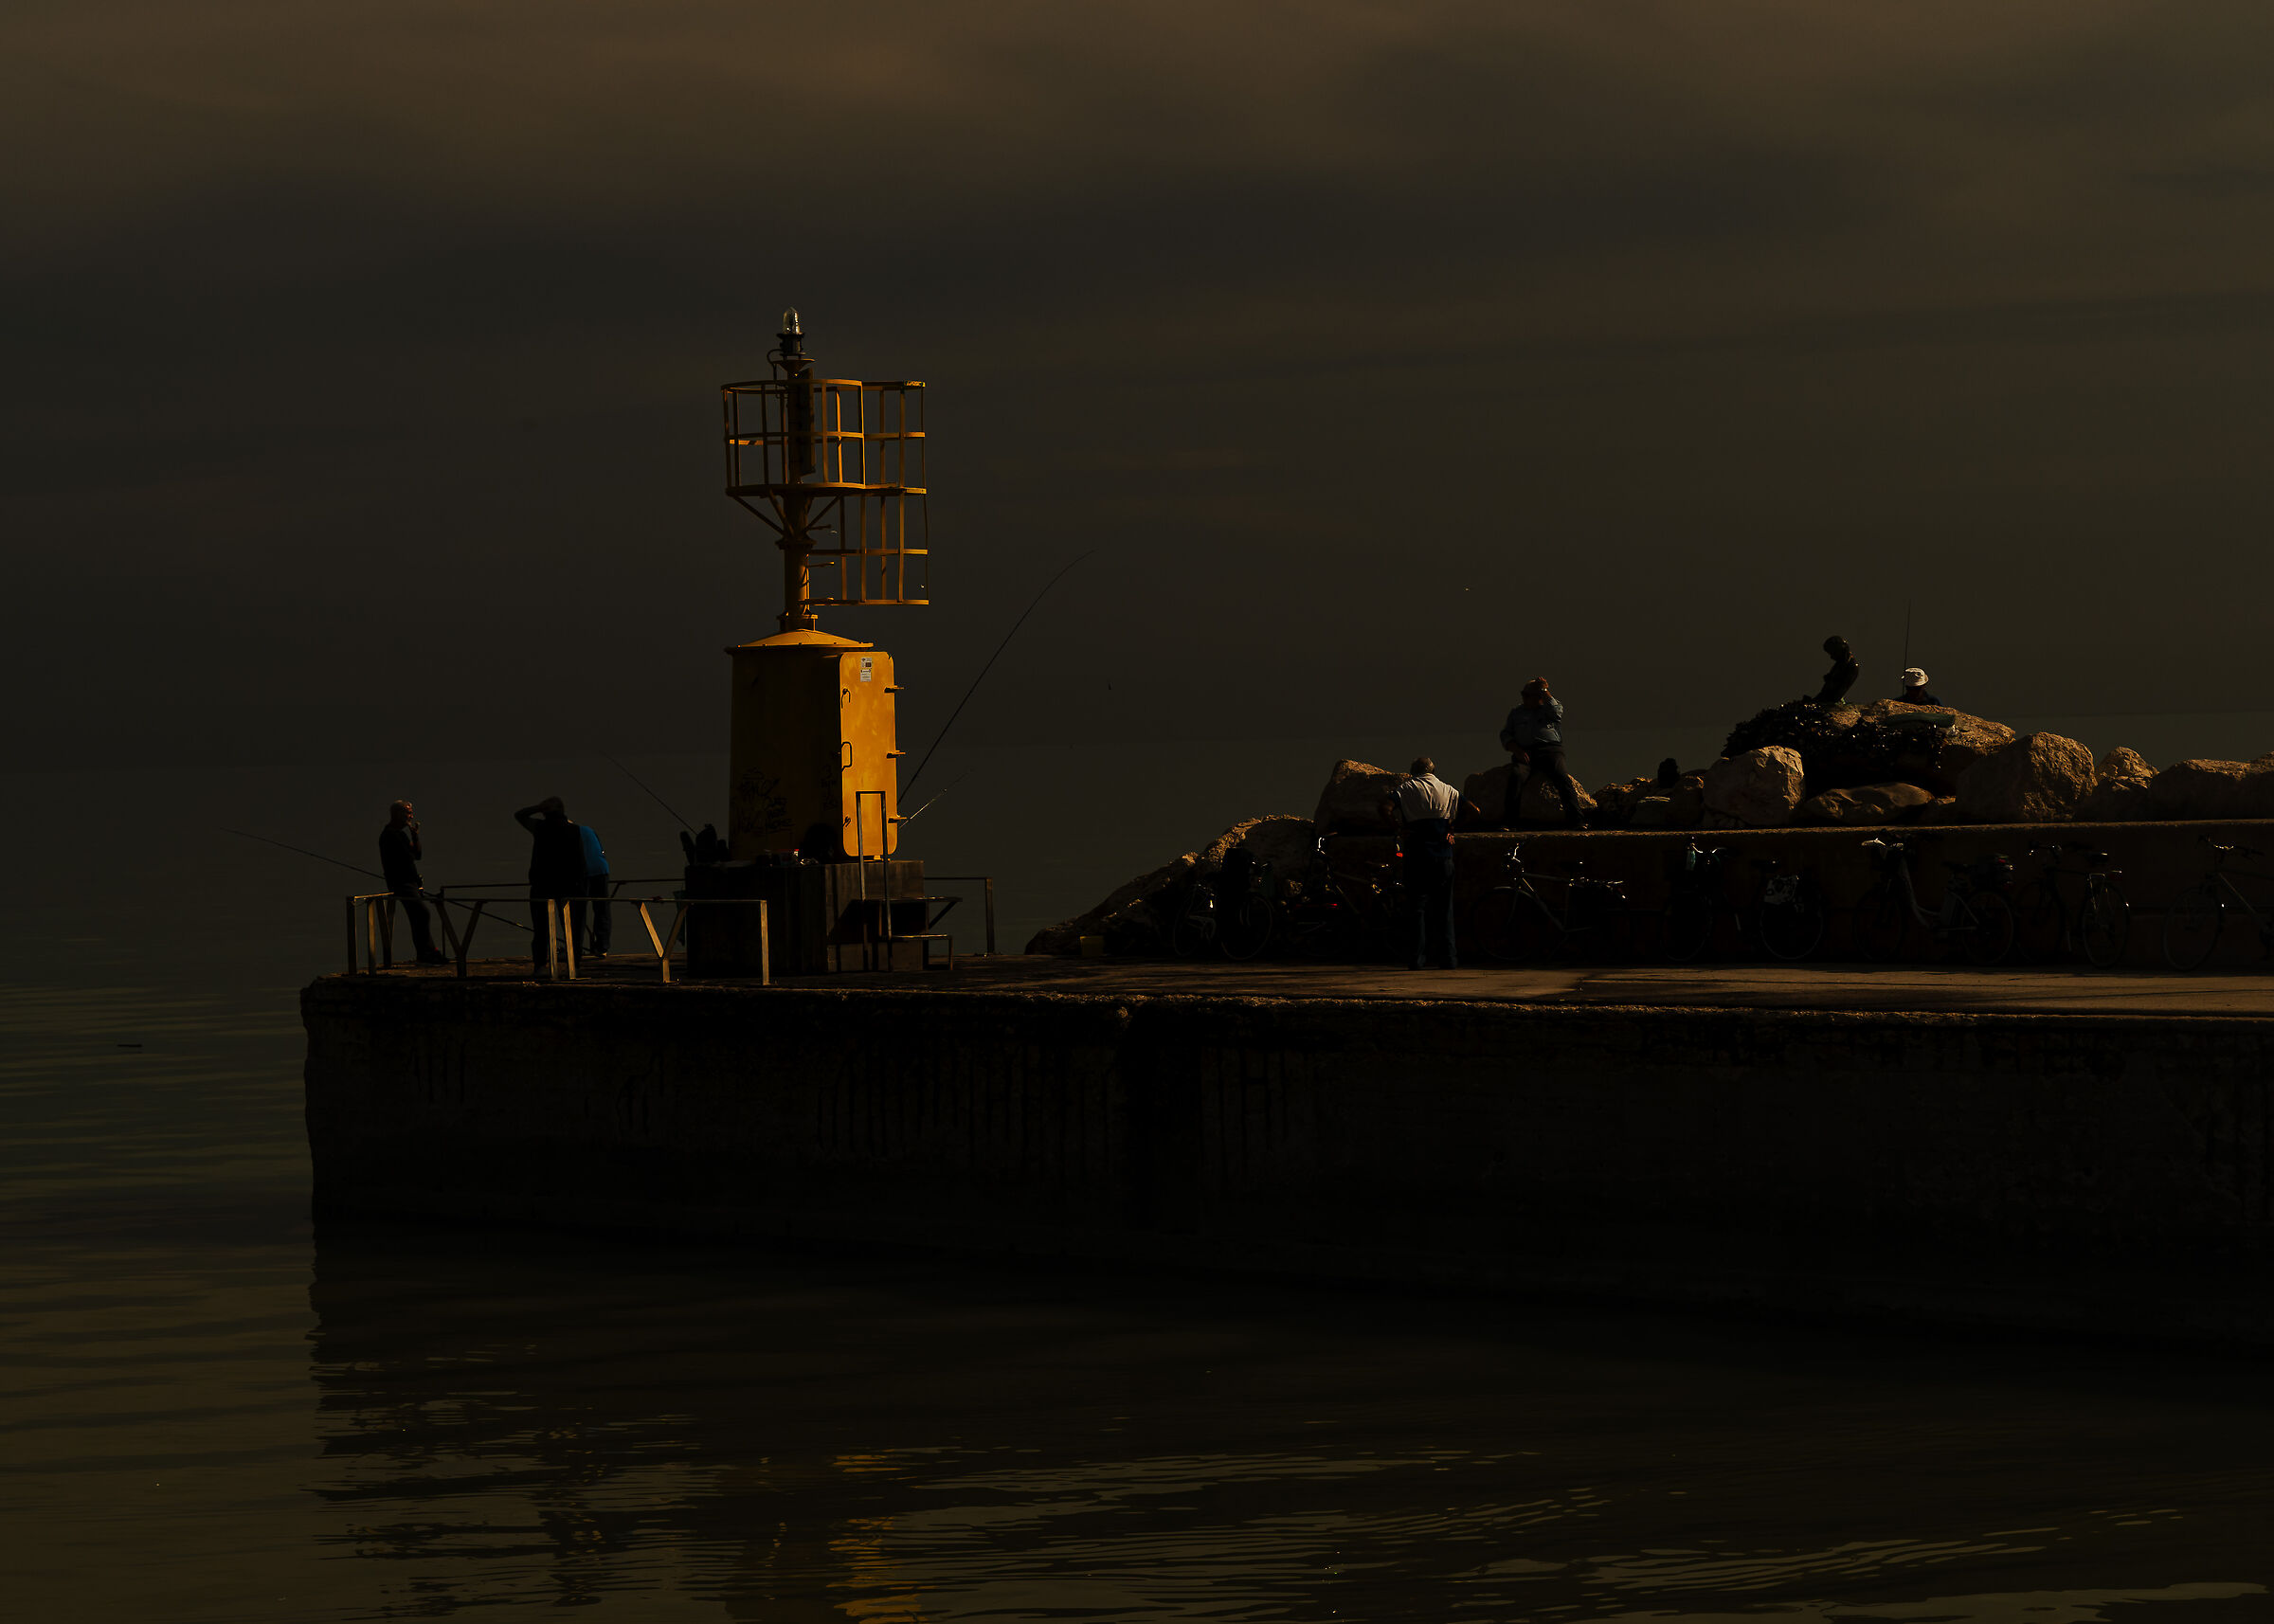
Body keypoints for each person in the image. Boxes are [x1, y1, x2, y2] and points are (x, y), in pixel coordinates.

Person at [1381, 757, 1466, 970]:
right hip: (1444, 857)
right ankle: (1449, 959)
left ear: (1412, 772)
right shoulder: (1448, 789)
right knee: (1445, 909)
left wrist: (1398, 828)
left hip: (1417, 856)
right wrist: (1452, 830)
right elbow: (1474, 810)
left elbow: (1384, 808)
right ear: (1433, 771)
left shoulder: (1405, 788)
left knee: (1417, 909)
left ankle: (1417, 959)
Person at [1499, 677, 1582, 828]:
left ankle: (1576, 820)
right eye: (1523, 694)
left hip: (1550, 750)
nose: (1524, 698)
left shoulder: (1549, 710)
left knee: (1562, 777)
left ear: (1539, 696)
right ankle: (1510, 822)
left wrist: (1544, 690)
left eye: (1528, 695)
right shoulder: (1516, 713)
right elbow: (1505, 734)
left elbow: (1557, 711)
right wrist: (1516, 749)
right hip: (1525, 751)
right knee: (1517, 776)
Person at [514, 798, 587, 972]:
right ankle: (574, 965)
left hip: (542, 885)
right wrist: (582, 886)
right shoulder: (574, 829)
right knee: (572, 929)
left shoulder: (540, 828)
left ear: (544, 812)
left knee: (541, 930)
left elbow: (520, 815)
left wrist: (537, 807)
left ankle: (540, 965)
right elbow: (580, 860)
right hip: (569, 885)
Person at [376, 801, 446, 965]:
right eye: (408, 812)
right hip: (401, 883)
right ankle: (425, 953)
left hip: (410, 883)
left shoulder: (400, 834)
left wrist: (415, 836)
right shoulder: (389, 835)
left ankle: (429, 952)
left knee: (419, 916)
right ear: (398, 814)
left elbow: (417, 855)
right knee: (421, 913)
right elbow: (408, 856)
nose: (411, 816)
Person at [574, 821, 612, 958]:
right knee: (602, 909)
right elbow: (600, 850)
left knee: (577, 912)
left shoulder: (566, 833)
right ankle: (602, 947)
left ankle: (575, 949)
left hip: (583, 873)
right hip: (602, 870)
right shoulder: (588, 829)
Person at [1815, 637, 1861, 705]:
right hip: (1826, 696)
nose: (1832, 657)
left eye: (1833, 653)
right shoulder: (1840, 663)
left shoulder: (1851, 666)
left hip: (1831, 700)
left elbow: (1841, 689)